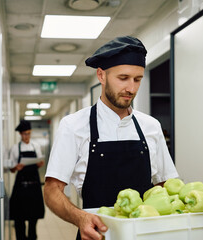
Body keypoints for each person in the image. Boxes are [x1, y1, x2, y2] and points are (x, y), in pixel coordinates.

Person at [44, 36, 179, 240]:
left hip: (144, 235)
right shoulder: (73, 126)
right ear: (101, 75)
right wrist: (80, 218)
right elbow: (52, 190)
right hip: (96, 235)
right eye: (123, 78)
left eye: (137, 79)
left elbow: (165, 185)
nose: (131, 89)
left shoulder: (151, 126)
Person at [9, 120, 45, 240]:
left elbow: (40, 162)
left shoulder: (36, 146)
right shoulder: (15, 148)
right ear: (20, 134)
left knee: (33, 219)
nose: (27, 136)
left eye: (29, 133)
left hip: (34, 186)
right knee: (19, 219)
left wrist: (40, 163)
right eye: (24, 134)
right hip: (21, 187)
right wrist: (16, 167)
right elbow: (12, 169)